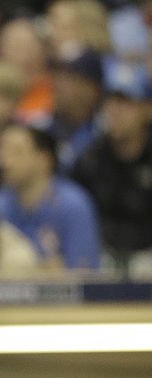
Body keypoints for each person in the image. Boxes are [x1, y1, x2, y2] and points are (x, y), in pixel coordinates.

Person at [70, 59, 152, 267]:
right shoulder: (89, 159)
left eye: (125, 103)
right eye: (110, 102)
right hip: (102, 258)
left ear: (146, 109)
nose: (115, 111)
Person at [0, 124, 101, 269]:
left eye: (17, 153)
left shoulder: (72, 205)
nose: (5, 162)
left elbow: (84, 272)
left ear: (44, 159)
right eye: (2, 152)